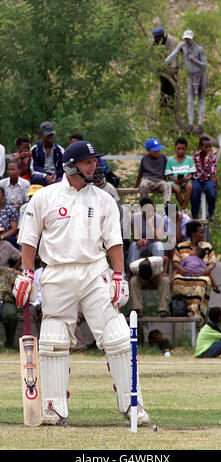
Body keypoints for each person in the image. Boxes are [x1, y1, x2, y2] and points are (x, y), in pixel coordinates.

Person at [13, 140, 149, 427]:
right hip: (57, 273)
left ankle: (132, 404)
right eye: (89, 162)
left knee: (117, 337)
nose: (95, 166)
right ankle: (53, 407)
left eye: (94, 161)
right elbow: (29, 238)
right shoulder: (44, 198)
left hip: (93, 270)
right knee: (53, 341)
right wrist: (26, 273)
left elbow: (114, 242)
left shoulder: (103, 199)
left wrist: (118, 275)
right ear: (72, 166)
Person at [172, 220, 216, 320]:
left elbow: (212, 263)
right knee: (176, 279)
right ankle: (180, 308)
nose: (203, 235)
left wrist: (206, 270)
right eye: (201, 232)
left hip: (201, 276)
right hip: (184, 275)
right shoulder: (181, 246)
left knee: (204, 282)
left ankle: (193, 310)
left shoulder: (207, 246)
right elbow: (175, 262)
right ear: (193, 233)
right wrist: (181, 269)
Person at [165, 29, 207, 134]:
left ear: (192, 39)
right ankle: (191, 124)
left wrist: (195, 60)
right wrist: (164, 63)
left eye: (189, 39)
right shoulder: (182, 46)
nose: (187, 41)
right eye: (186, 39)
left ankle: (200, 124)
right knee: (190, 100)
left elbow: (205, 65)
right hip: (191, 76)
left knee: (201, 99)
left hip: (201, 75)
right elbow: (173, 55)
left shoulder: (199, 49)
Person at [134, 138, 171, 207]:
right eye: (155, 150)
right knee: (143, 185)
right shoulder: (145, 159)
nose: (158, 151)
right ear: (148, 150)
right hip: (148, 179)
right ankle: (146, 205)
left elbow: (167, 171)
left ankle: (167, 206)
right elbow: (140, 174)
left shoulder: (163, 157)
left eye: (158, 149)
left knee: (167, 186)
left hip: (160, 180)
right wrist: (135, 185)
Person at [128, 198, 165, 264]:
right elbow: (135, 236)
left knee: (159, 245)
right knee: (134, 245)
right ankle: (132, 270)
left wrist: (150, 224)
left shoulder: (159, 218)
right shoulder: (135, 217)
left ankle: (159, 270)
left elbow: (157, 238)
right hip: (141, 242)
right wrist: (140, 241)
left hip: (153, 242)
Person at [165, 137, 196, 211]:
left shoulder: (189, 159)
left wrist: (187, 178)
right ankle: (183, 208)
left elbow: (191, 173)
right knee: (176, 189)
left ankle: (183, 208)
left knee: (189, 186)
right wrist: (175, 179)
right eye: (178, 149)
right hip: (174, 181)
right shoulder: (170, 160)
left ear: (186, 149)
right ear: (175, 148)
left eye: (183, 149)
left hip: (185, 180)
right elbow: (168, 174)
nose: (181, 151)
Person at [191, 136, 218, 221]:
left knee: (210, 189)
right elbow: (194, 171)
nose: (208, 148)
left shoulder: (212, 158)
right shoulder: (194, 157)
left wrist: (214, 181)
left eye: (209, 146)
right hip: (197, 179)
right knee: (195, 190)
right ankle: (195, 214)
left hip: (208, 179)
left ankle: (211, 212)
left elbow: (212, 172)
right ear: (200, 147)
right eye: (205, 146)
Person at [152, 26, 178, 109]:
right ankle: (163, 110)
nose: (155, 39)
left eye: (157, 37)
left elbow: (173, 57)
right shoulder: (155, 42)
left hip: (171, 69)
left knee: (171, 90)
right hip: (162, 69)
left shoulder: (170, 41)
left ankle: (171, 108)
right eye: (154, 37)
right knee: (163, 89)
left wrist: (172, 70)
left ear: (162, 35)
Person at [31, 121, 64, 186]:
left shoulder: (60, 150)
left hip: (56, 176)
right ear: (41, 134)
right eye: (48, 134)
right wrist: (45, 175)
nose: (50, 136)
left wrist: (56, 174)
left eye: (51, 134)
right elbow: (34, 168)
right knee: (37, 178)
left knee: (61, 182)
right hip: (41, 175)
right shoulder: (35, 149)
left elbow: (63, 167)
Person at [0, 266, 21, 348]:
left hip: (6, 300)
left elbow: (23, 277)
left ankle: (9, 343)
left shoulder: (7, 272)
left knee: (10, 315)